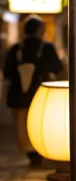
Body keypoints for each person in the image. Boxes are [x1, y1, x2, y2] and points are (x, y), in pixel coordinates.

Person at [2, 15, 62, 165]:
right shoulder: (46, 47)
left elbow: (7, 71)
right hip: (41, 94)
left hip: (19, 96)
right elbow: (57, 67)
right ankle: (39, 152)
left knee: (22, 128)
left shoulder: (16, 49)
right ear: (40, 29)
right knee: (41, 125)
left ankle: (31, 154)